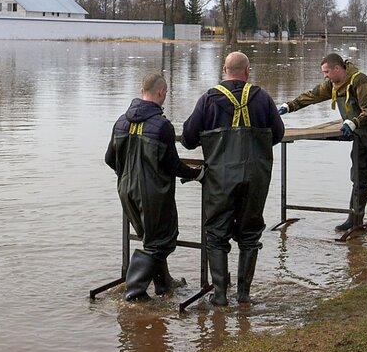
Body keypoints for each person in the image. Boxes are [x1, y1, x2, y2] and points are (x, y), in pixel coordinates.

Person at [182, 52, 284, 306]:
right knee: (249, 234)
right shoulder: (262, 98)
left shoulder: (209, 98)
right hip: (256, 178)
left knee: (216, 234)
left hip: (220, 179)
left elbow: (188, 139)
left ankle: (219, 296)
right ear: (247, 71)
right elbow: (278, 133)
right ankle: (243, 294)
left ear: (223, 70)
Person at [105, 73, 202, 301]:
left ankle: (163, 285)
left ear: (142, 91)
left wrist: (128, 175)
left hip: (125, 190)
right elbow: (173, 166)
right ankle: (135, 292)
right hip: (153, 194)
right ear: (161, 92)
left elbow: (110, 159)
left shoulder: (121, 121)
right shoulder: (162, 126)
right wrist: (198, 174)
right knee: (161, 241)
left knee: (150, 238)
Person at [278, 52, 367, 237]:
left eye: (326, 72)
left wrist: (353, 122)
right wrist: (289, 106)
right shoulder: (334, 85)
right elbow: (312, 95)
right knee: (358, 176)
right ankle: (354, 218)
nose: (325, 75)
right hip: (360, 135)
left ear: (337, 68)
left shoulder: (360, 81)